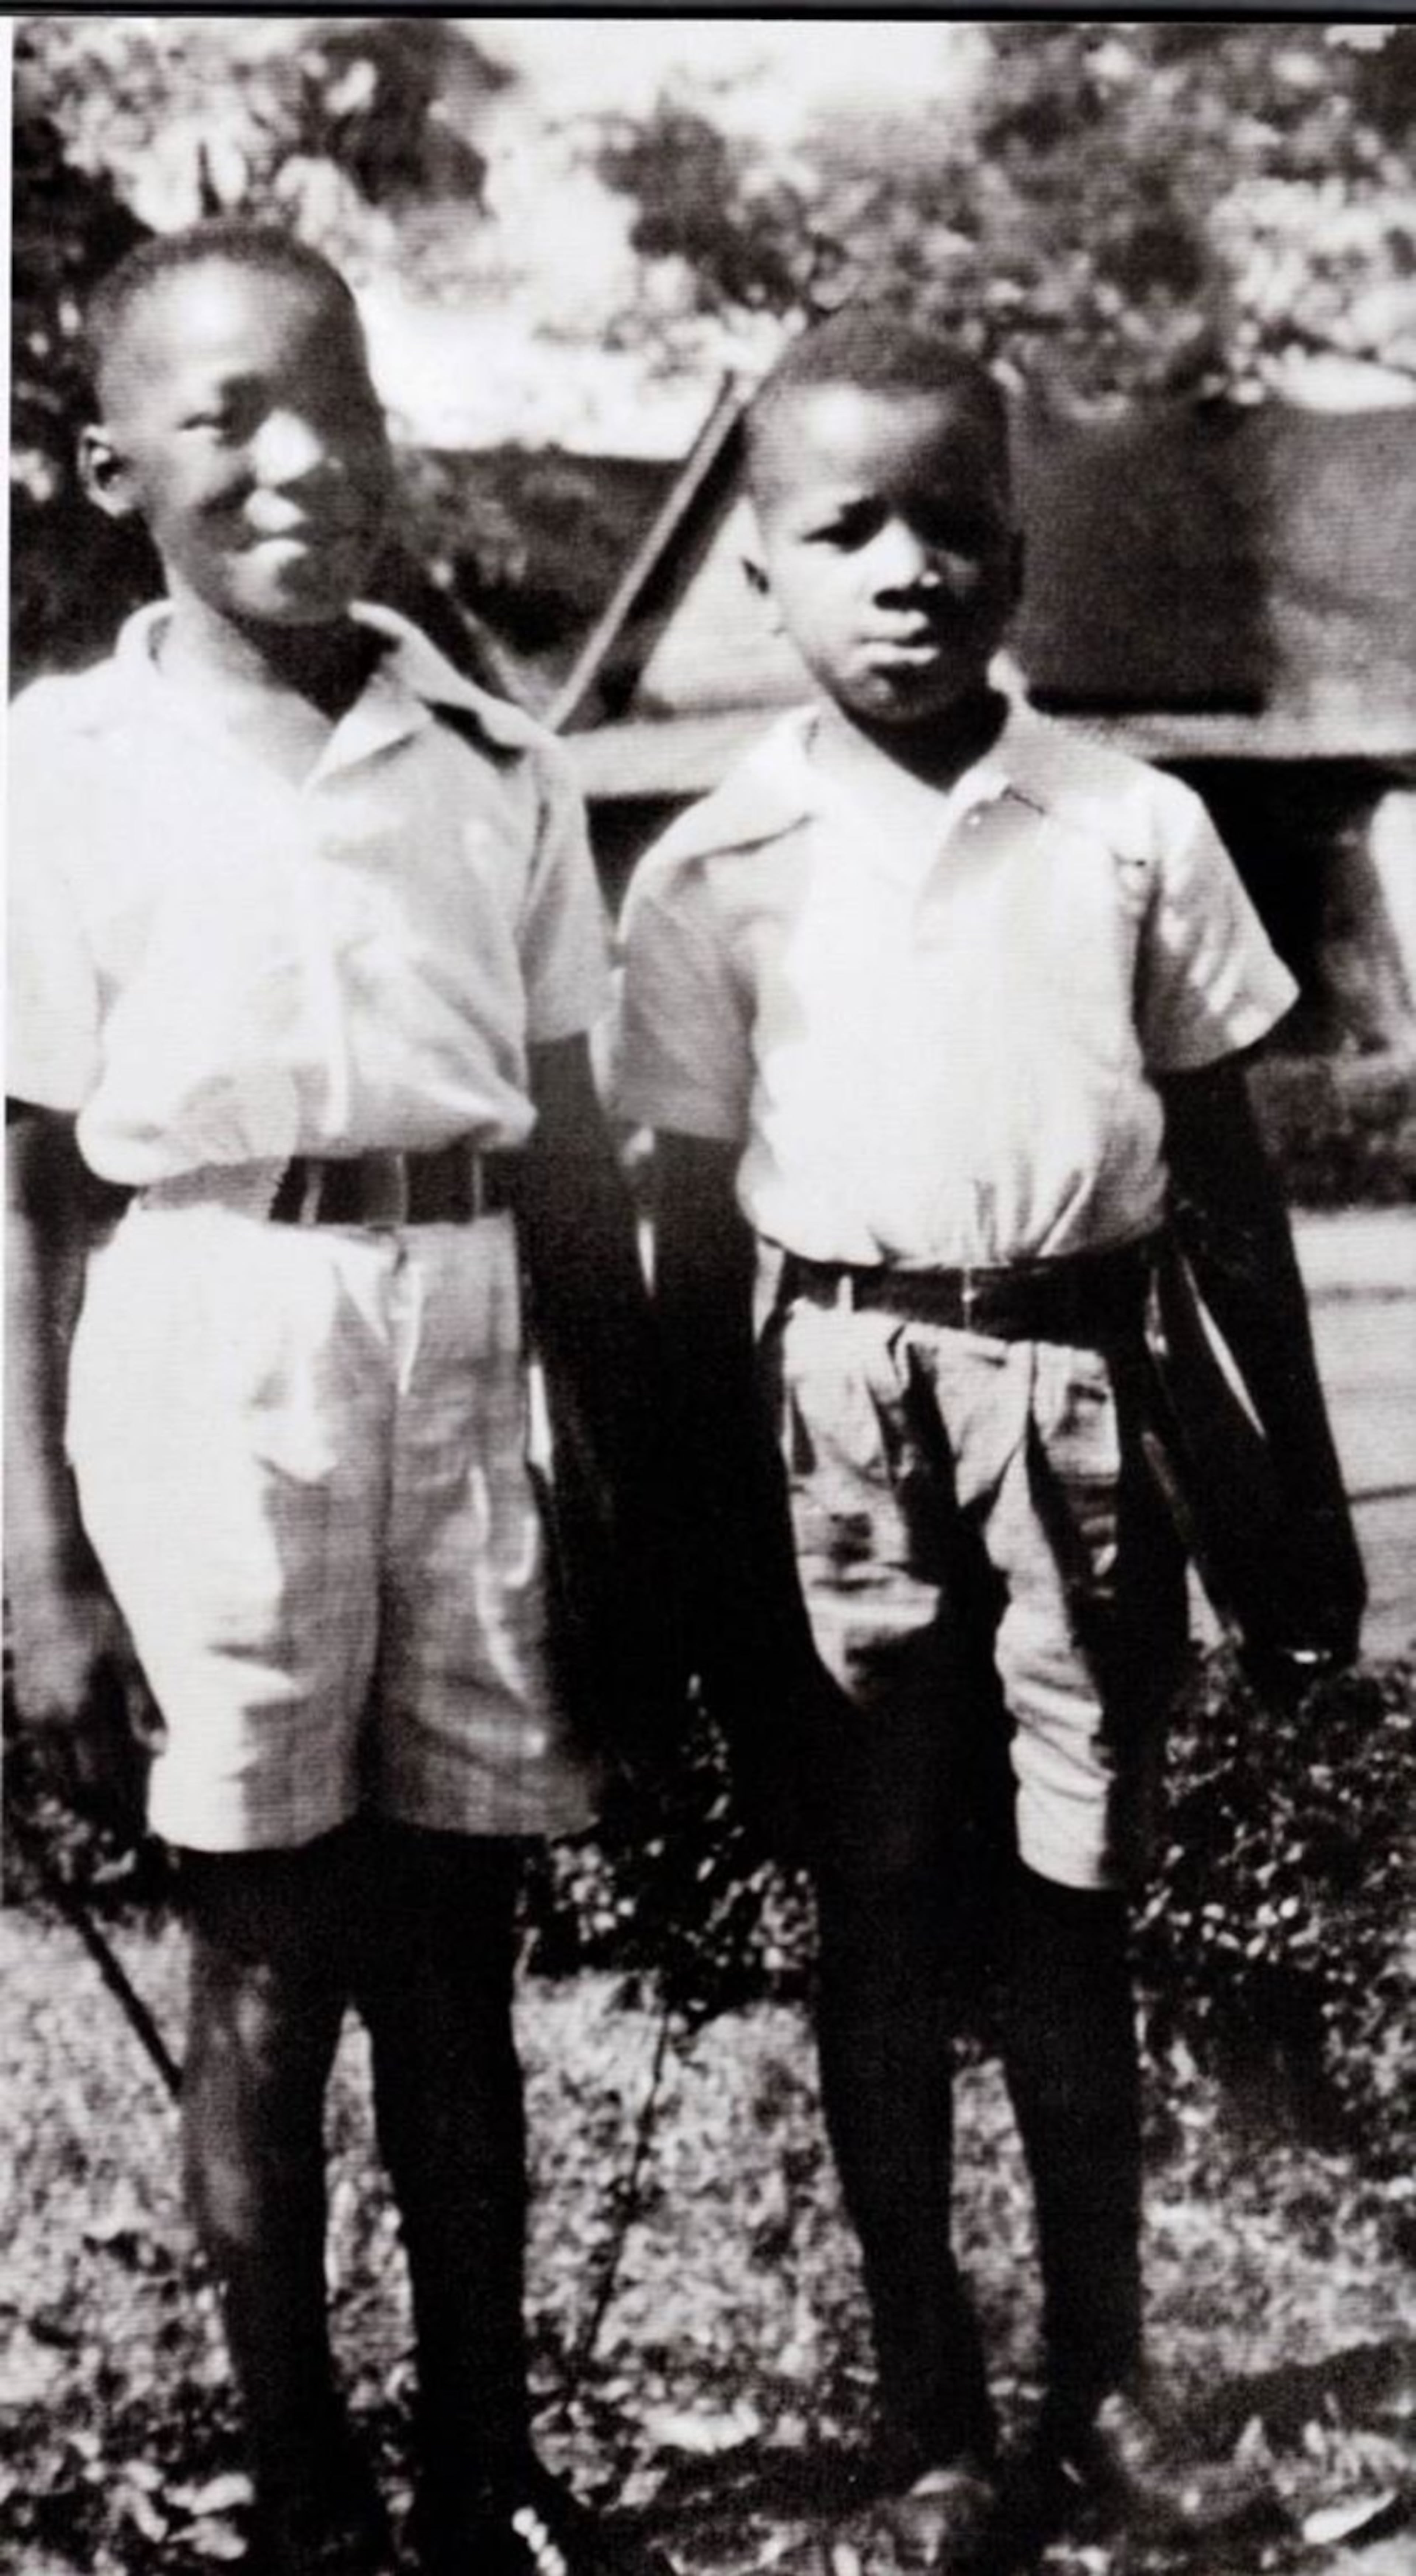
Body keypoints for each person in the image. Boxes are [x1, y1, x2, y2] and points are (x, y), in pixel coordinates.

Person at [611, 307, 1364, 2570]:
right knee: (878, 1911)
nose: (910, 569)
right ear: (760, 568)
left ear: (1022, 557)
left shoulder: (1132, 826)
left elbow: (1226, 1197)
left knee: (1068, 1908)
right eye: (850, 529)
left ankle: (1104, 2390)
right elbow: (662, 1249)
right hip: (830, 1420)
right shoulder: (713, 870)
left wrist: (1293, 1508)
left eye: (958, 524)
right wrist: (699, 1560)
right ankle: (927, 2423)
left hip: (1081, 1408)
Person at [6, 220, 675, 2576]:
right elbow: (20, 1183)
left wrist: (632, 1491)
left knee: (462, 1965)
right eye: (228, 419)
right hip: (214, 1340)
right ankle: (304, 2486)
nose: (303, 464)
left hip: (468, 1326)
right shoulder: (63, 767)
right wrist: (42, 1570)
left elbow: (581, 1173)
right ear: (115, 470)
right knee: (270, 1953)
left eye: (343, 409)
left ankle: (483, 2471)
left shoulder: (496, 756)